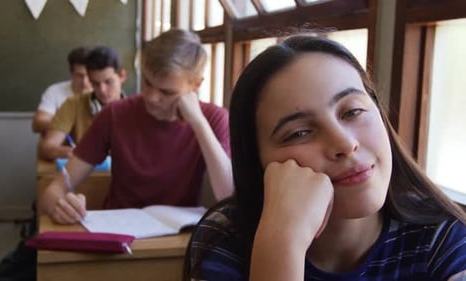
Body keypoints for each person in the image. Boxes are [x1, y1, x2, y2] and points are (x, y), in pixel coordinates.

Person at [185, 35, 466, 280]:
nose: (345, 143)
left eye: (352, 111)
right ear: (257, 160)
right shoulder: (226, 237)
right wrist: (282, 242)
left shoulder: (443, 237)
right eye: (299, 132)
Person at [41, 28, 233, 224]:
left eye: (166, 92)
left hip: (178, 239)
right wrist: (60, 206)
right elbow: (52, 192)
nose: (151, 97)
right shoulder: (114, 114)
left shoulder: (214, 119)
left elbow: (227, 195)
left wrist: (198, 123)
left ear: (195, 86)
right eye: (147, 83)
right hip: (120, 234)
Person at [38, 46, 126, 160]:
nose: (102, 90)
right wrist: (68, 152)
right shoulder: (73, 104)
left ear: (122, 76)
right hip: (85, 175)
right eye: (95, 83)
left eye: (108, 82)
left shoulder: (136, 109)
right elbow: (46, 148)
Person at [32, 46, 93, 134]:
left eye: (88, 75)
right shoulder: (54, 91)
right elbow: (38, 123)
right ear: (71, 73)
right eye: (79, 75)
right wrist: (72, 126)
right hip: (61, 145)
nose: (85, 81)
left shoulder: (103, 93)